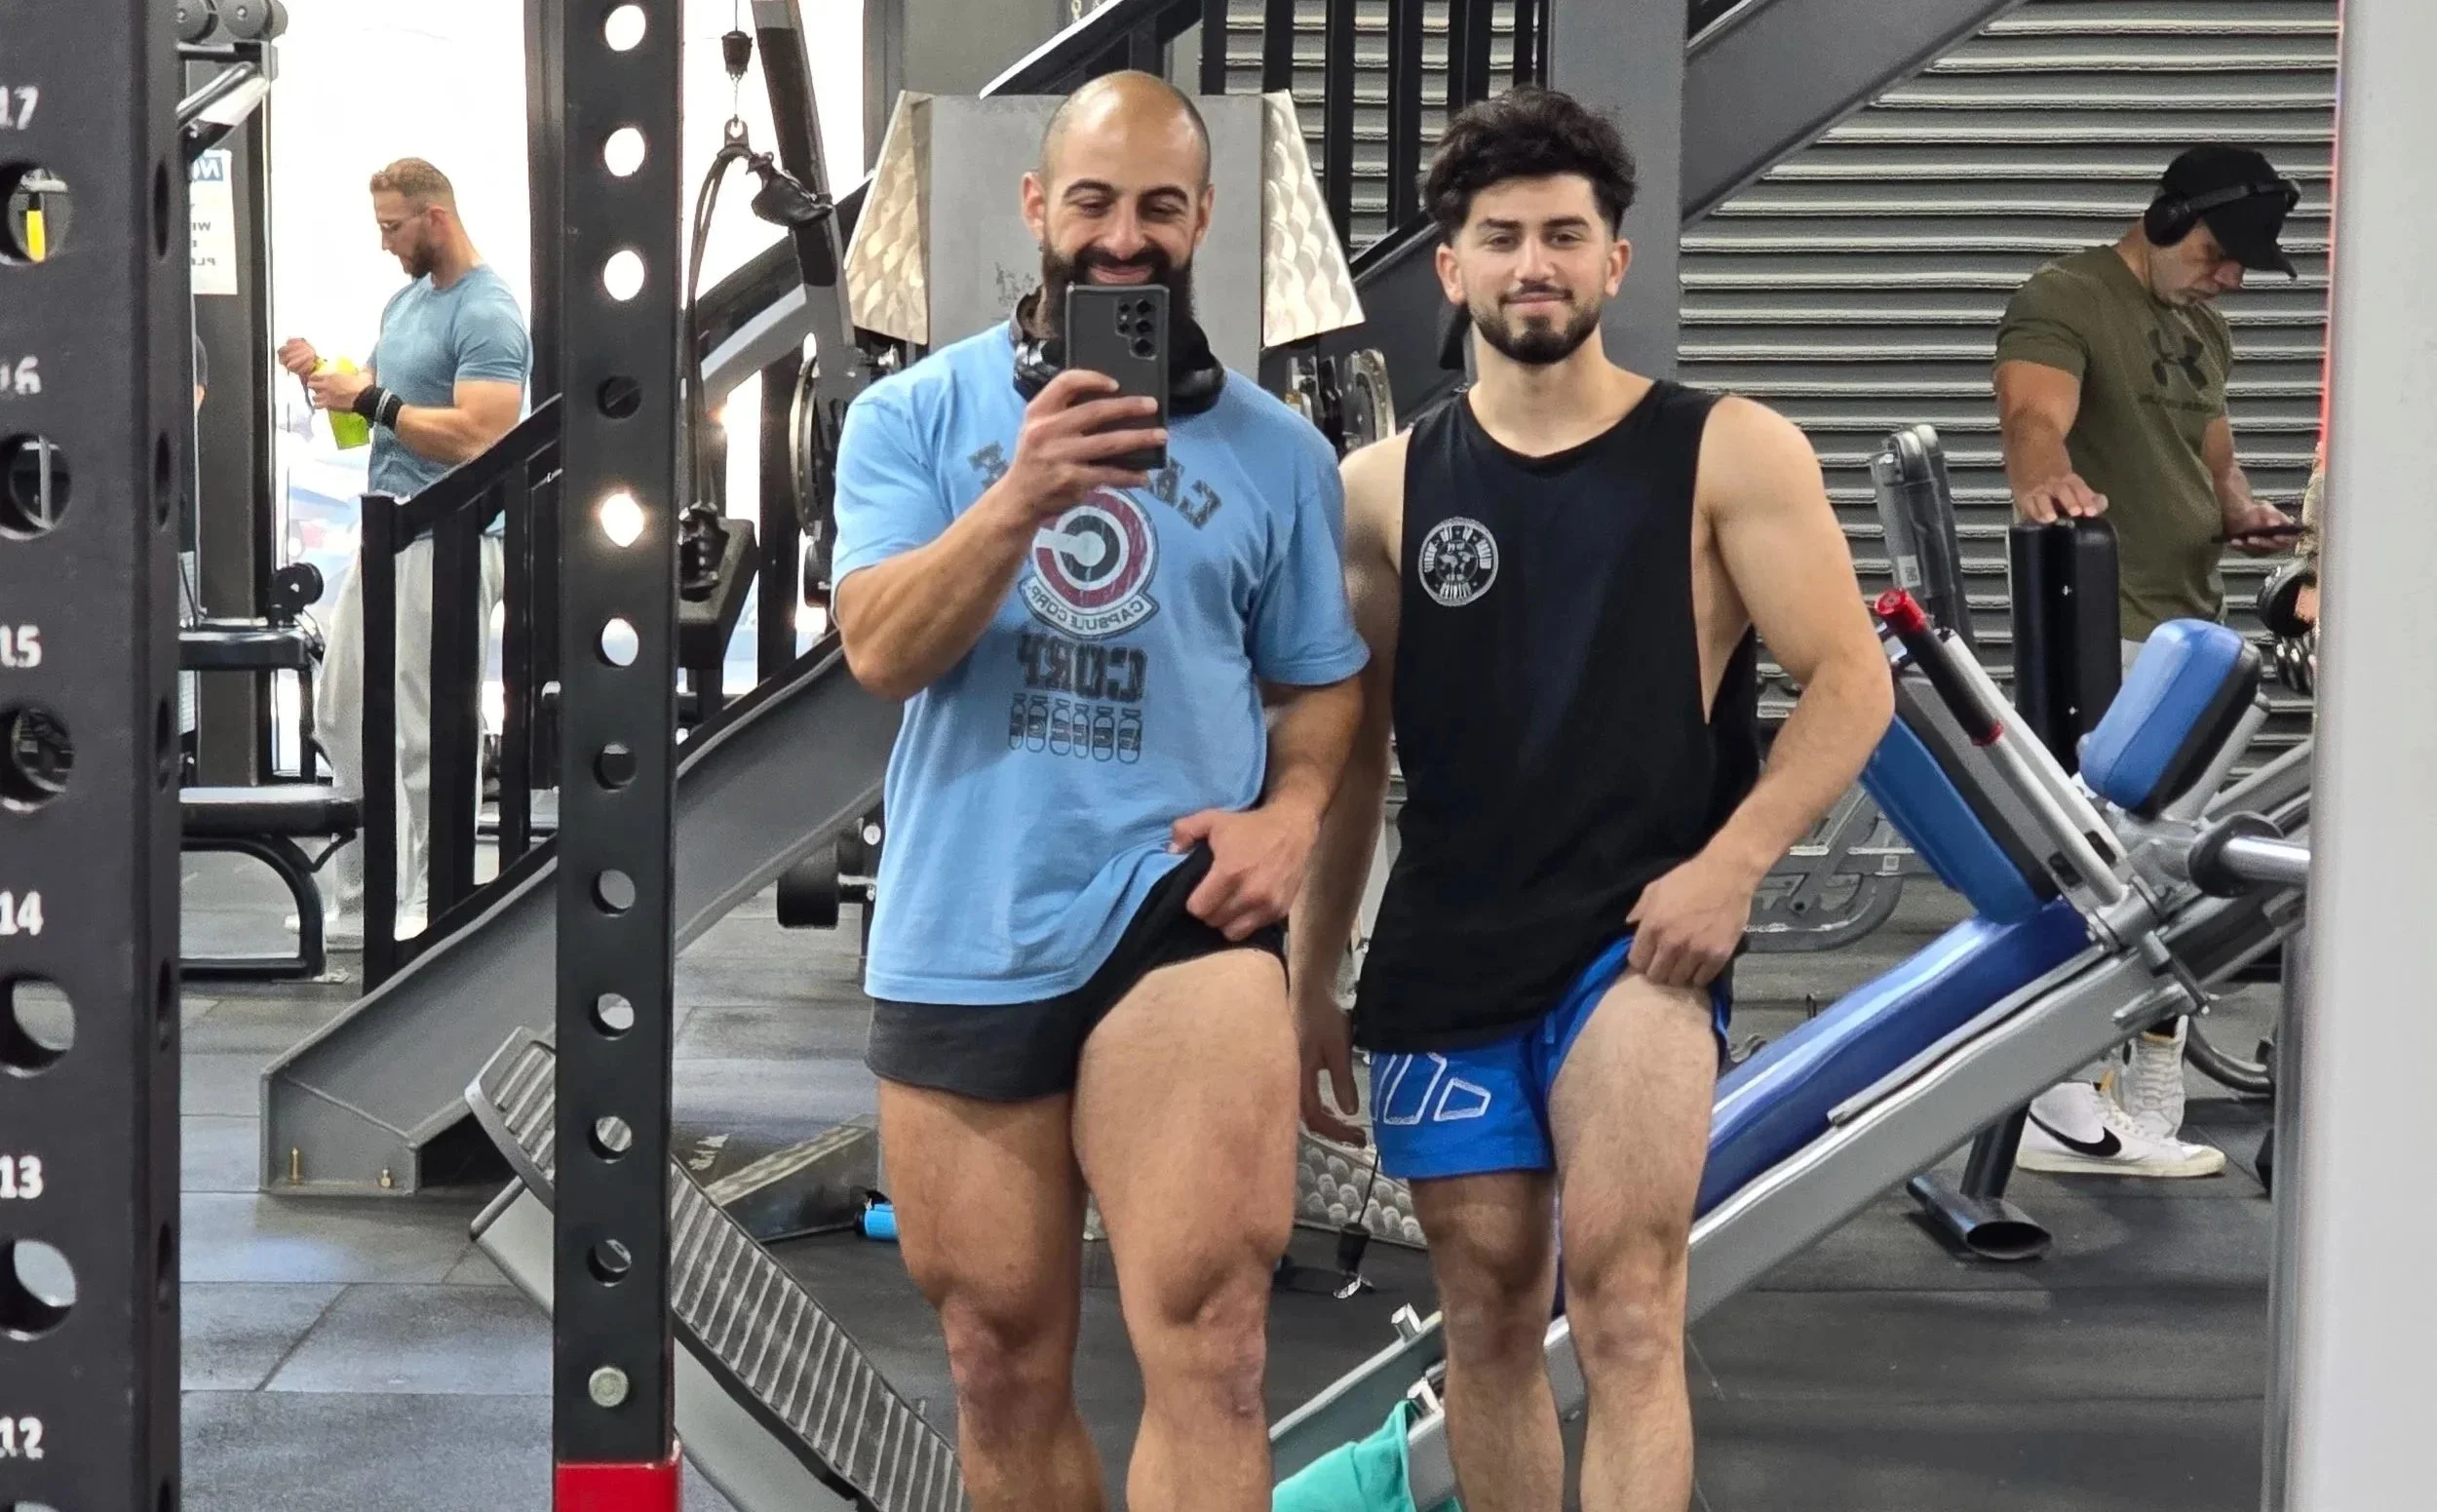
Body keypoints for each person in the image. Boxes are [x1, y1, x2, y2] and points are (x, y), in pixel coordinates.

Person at [1292, 89, 1894, 1512]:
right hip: (1446, 954)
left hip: (1637, 943)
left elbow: (1850, 681)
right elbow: (1351, 754)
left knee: (1627, 1304)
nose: (1534, 263)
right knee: (1488, 1322)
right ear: (1451, 270)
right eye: (1500, 237)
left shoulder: (1728, 449)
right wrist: (1310, 980)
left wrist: (1731, 866)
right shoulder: (1380, 489)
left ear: (1617, 260)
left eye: (1566, 234)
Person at [828, 72, 1367, 1512]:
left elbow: (1321, 682)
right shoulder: (911, 419)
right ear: (1036, 209)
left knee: (1218, 1342)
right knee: (997, 1355)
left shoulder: (1282, 455)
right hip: (969, 913)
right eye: (1093, 201)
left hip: (1175, 908)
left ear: (1200, 224)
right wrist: (1018, 496)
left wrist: (1295, 813)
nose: (1123, 238)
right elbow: (881, 647)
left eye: (1158, 207)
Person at [1992, 143, 2301, 1178]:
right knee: (2104, 870)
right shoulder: (2068, 295)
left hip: (2188, 627)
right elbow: (2033, 415)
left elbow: (2210, 455)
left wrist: (2241, 513)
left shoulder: (2199, 325)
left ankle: (2139, 1091)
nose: (2230, 279)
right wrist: (2046, 481)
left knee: (2170, 868)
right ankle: (2056, 1104)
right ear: (2166, 220)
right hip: (2111, 622)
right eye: (2217, 254)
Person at [277, 159, 527, 943]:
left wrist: (373, 397)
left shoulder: (488, 313)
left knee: (418, 728)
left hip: (452, 538)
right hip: (389, 533)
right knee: (342, 711)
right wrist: (329, 380)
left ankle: (423, 897)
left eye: (393, 227)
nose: (384, 243)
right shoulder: (405, 301)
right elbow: (376, 419)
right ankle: (368, 896)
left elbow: (485, 434)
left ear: (436, 220)